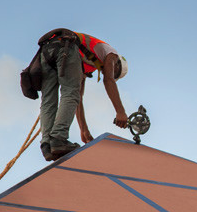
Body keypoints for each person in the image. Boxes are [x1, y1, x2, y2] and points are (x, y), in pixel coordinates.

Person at [37, 28, 128, 161]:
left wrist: (84, 130)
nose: (111, 72)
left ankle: (47, 145)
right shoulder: (111, 53)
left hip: (47, 50)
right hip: (65, 46)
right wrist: (120, 112)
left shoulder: (85, 63)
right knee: (67, 94)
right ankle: (58, 138)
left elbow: (78, 98)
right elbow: (108, 80)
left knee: (49, 100)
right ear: (118, 63)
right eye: (115, 71)